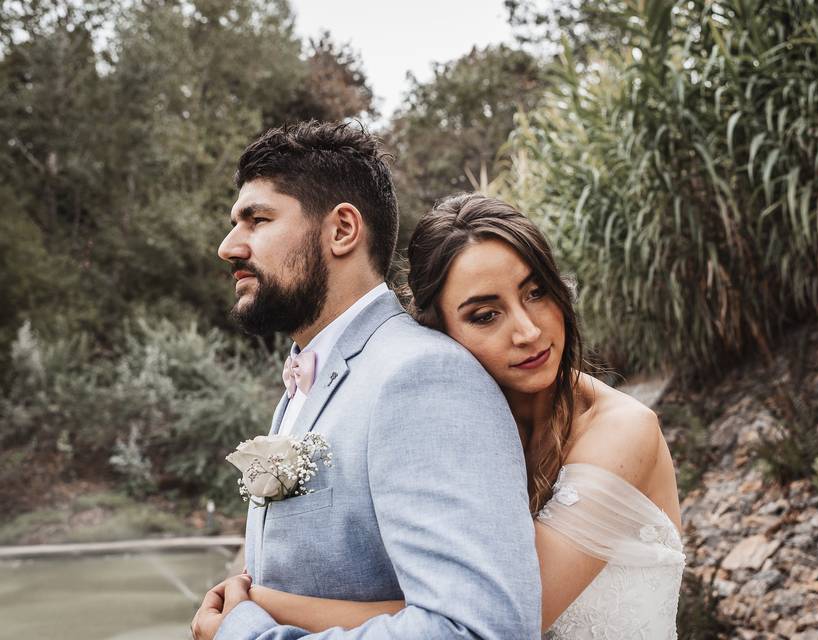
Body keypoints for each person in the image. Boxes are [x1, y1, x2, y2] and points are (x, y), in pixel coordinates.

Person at [226, 193, 686, 638]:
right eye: (486, 315)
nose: (527, 331)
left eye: (536, 292)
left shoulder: (623, 430)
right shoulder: (444, 430)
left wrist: (254, 607)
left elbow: (503, 618)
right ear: (438, 332)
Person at [189, 124, 541, 640]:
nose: (229, 246)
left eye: (257, 220)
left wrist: (245, 634)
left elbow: (480, 630)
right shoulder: (307, 380)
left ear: (342, 230)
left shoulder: (421, 377)